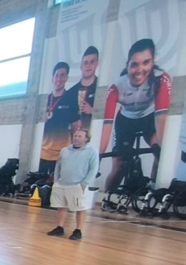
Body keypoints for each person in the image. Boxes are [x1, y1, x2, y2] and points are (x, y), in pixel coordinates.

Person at [101, 38, 172, 191]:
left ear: (153, 61)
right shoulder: (117, 86)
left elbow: (161, 116)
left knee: (160, 152)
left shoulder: (161, 78)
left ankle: (152, 190)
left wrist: (162, 149)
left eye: (146, 62)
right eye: (134, 64)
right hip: (126, 122)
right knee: (119, 166)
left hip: (150, 119)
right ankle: (105, 196)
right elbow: (107, 123)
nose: (140, 70)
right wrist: (99, 156)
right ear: (128, 65)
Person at [47, 129, 99, 241]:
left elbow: (93, 168)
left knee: (80, 208)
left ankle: (78, 230)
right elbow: (58, 165)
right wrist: (56, 180)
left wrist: (84, 183)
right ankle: (59, 227)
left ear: (86, 138)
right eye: (75, 136)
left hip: (78, 185)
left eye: (80, 136)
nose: (76, 138)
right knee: (61, 206)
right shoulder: (65, 150)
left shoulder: (91, 151)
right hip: (61, 184)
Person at [40, 62, 80, 175]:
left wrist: (74, 149)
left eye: (62, 75)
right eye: (57, 75)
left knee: (57, 183)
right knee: (39, 182)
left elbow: (75, 126)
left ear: (66, 78)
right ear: (52, 78)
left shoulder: (71, 99)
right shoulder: (46, 100)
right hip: (43, 153)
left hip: (61, 154)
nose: (59, 79)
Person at [70, 46, 99, 133]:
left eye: (92, 62)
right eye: (85, 63)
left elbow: (108, 117)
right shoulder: (70, 93)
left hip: (95, 135)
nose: (88, 66)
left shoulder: (101, 89)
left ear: (97, 64)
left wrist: (92, 111)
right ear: (81, 66)